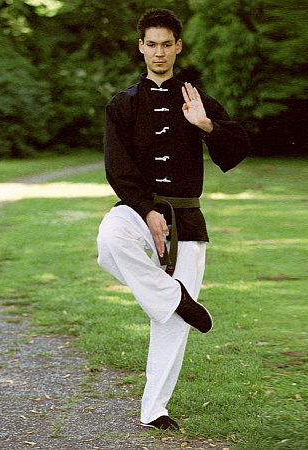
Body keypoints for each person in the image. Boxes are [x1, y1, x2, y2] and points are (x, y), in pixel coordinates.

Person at [97, 9, 250, 431]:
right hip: (137, 208)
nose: (159, 52)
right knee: (109, 240)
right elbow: (116, 166)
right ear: (141, 47)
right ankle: (176, 298)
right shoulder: (123, 104)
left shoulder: (197, 99)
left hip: (187, 217)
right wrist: (146, 209)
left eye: (167, 44)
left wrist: (205, 125)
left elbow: (238, 148)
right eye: (152, 44)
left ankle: (154, 410)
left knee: (172, 326)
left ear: (178, 47)